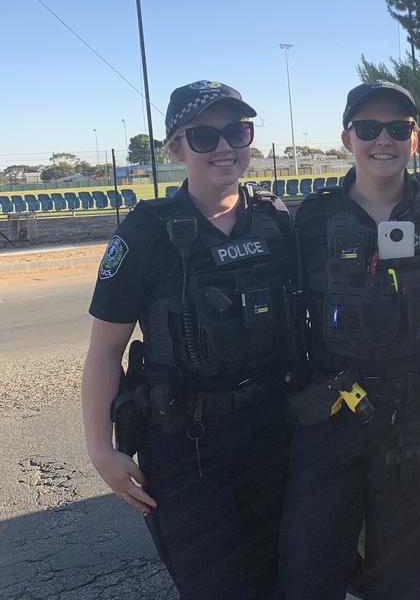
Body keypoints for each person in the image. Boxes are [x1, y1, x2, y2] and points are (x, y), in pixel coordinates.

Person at [82, 80, 295, 599]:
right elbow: (105, 349)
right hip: (187, 445)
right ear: (176, 148)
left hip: (273, 432)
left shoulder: (274, 218)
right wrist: (100, 452)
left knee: (279, 578)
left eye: (236, 131)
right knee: (214, 585)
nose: (224, 147)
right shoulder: (147, 231)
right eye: (204, 136)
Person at [279, 80, 420, 600]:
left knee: (400, 584)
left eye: (397, 128)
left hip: (414, 421)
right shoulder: (312, 220)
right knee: (308, 577)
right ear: (347, 139)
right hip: (331, 421)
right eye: (368, 128)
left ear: (415, 138)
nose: (382, 140)